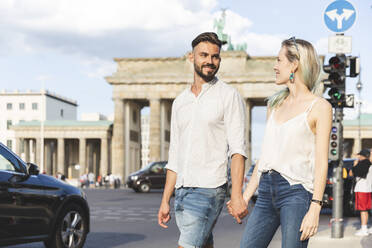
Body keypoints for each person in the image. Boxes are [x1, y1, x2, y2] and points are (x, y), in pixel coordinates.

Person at [229, 37, 332, 248]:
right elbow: (266, 156)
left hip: (296, 193)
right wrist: (246, 196)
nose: (275, 66)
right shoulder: (274, 104)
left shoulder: (319, 107)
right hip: (266, 191)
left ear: (294, 64)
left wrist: (315, 208)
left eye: (279, 60)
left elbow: (322, 163)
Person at [157, 32, 248, 248]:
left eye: (215, 57)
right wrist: (165, 200)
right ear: (192, 57)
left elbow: (237, 150)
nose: (209, 61)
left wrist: (237, 195)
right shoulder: (180, 102)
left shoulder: (229, 96)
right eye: (204, 55)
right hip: (181, 190)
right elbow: (175, 154)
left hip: (208, 188)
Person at [349, 149, 372, 236]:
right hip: (368, 189)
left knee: (363, 210)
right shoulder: (369, 164)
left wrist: (354, 165)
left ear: (362, 156)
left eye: (359, 155)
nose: (358, 157)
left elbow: (351, 173)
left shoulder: (362, 164)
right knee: (366, 210)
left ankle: (364, 229)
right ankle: (365, 228)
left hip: (362, 190)